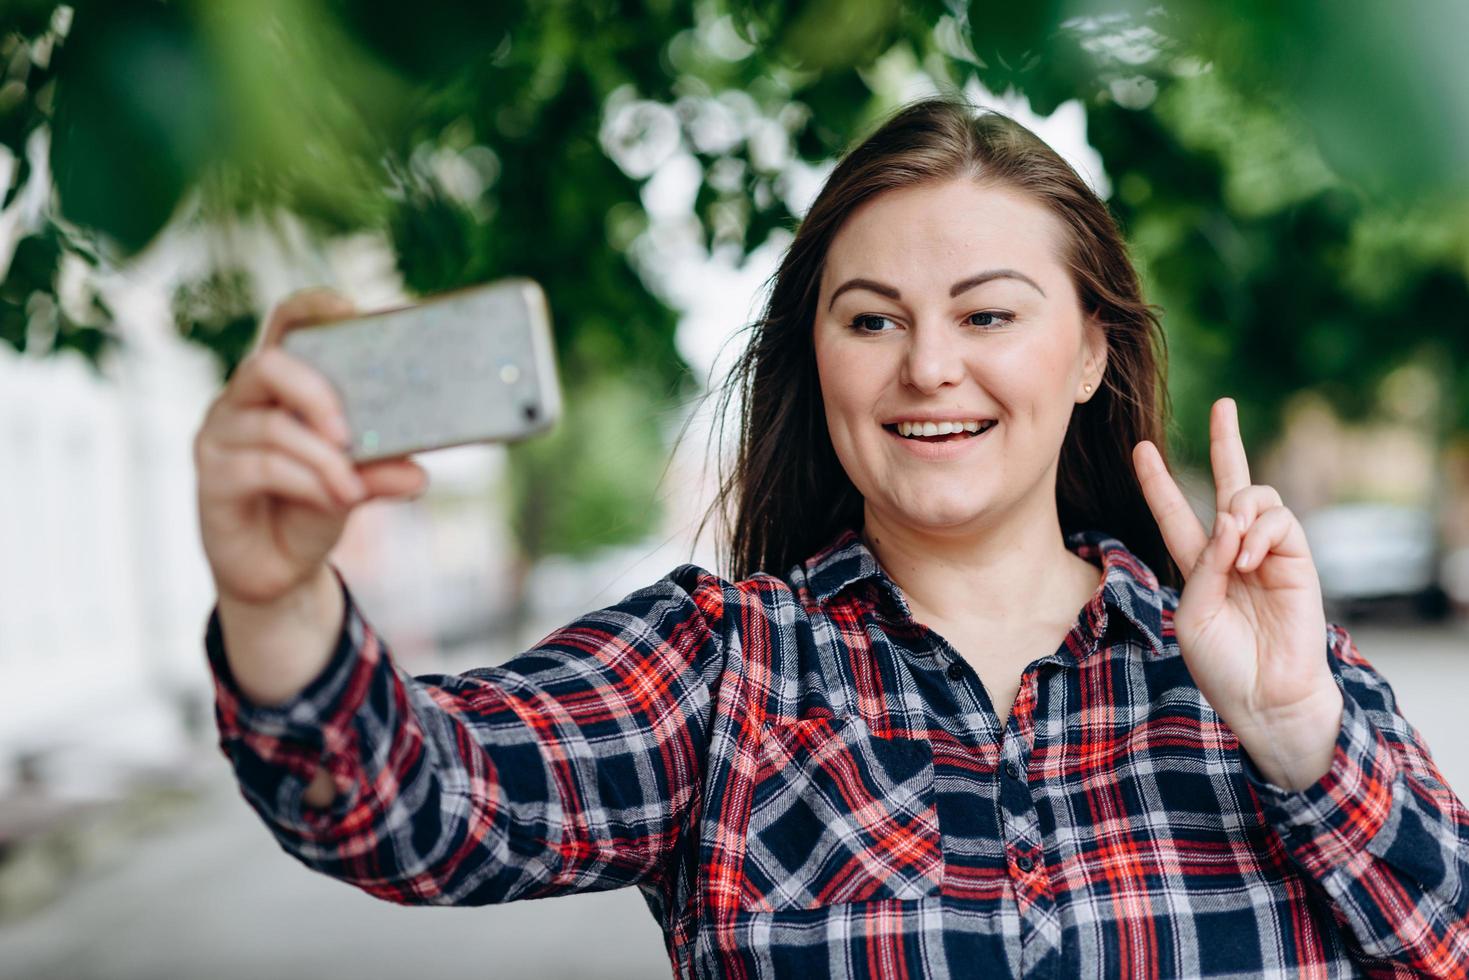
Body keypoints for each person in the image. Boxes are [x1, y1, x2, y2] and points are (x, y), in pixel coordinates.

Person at [194, 98, 1469, 978]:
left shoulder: (1263, 667)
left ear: (1087, 349)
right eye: (869, 320)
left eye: (986, 315)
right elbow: (412, 799)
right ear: (816, 354)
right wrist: (276, 601)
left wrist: (1306, 741)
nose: (926, 368)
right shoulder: (723, 671)